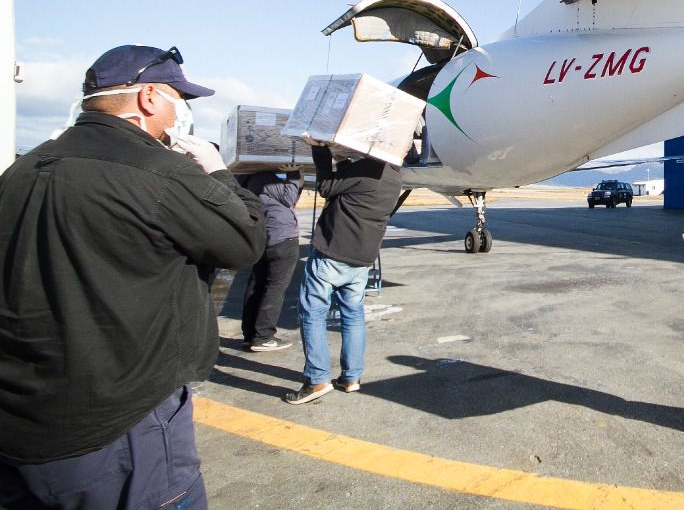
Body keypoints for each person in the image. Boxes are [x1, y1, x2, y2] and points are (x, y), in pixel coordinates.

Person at [0, 45, 264, 510]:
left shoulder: (23, 168)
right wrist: (219, 173)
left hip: (23, 419)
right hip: (118, 422)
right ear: (148, 99)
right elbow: (245, 240)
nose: (181, 112)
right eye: (178, 98)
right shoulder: (160, 173)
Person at [285, 145, 403, 404]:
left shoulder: (367, 168)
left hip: (333, 251)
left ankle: (317, 380)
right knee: (353, 314)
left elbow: (327, 187)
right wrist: (344, 162)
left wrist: (320, 152)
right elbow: (353, 187)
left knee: (313, 312)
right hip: (362, 257)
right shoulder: (394, 175)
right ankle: (351, 377)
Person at [239, 170, 303, 352]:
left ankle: (250, 334)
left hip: (264, 237)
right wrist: (294, 173)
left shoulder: (246, 178)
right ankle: (263, 336)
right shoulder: (264, 178)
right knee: (275, 287)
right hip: (282, 238)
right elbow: (289, 198)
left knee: (257, 285)